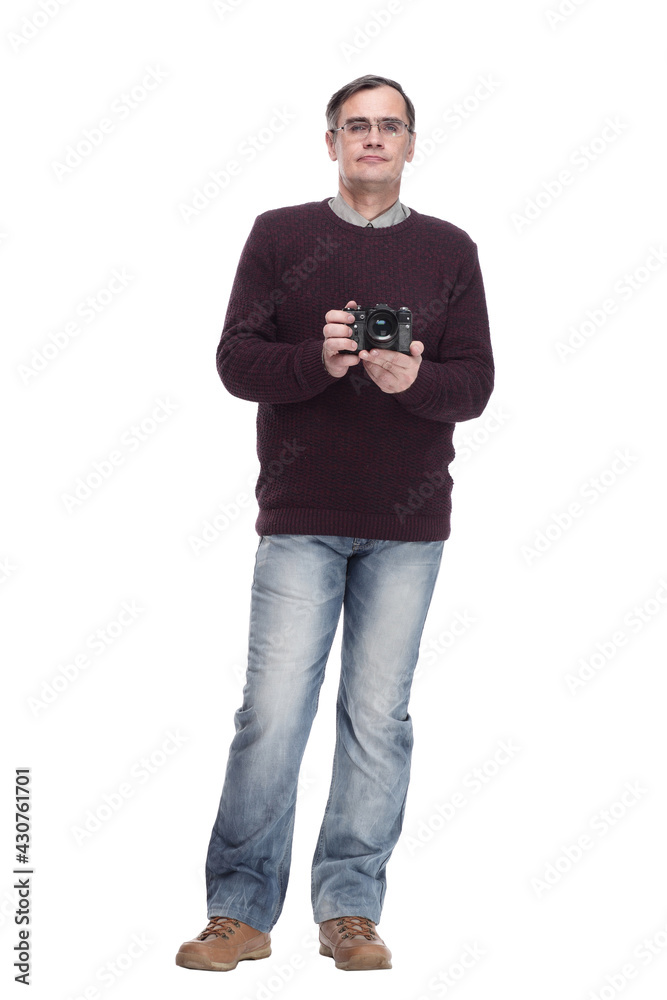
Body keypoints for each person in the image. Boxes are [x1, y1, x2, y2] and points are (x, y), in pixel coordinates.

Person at [175, 73, 494, 974]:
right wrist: (319, 362)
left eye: (388, 126)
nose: (372, 139)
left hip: (408, 522)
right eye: (356, 125)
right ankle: (238, 911)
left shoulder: (449, 249)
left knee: (376, 718)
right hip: (300, 514)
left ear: (408, 144)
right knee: (270, 714)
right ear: (330, 143)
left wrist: (409, 380)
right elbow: (236, 360)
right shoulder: (280, 236)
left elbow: (471, 386)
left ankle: (349, 909)